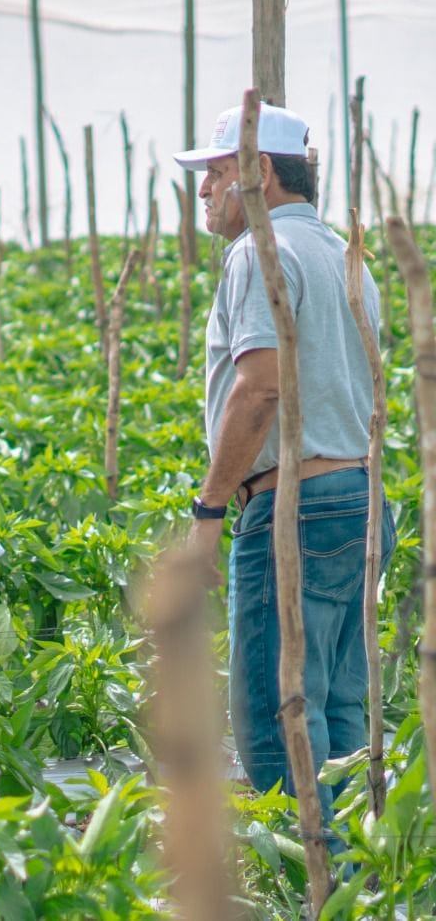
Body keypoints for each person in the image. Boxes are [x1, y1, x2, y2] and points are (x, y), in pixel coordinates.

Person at [175, 103, 394, 812]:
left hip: (295, 509)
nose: (203, 191)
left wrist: (208, 513)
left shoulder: (259, 252)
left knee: (277, 730)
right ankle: (358, 895)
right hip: (360, 499)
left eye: (212, 174)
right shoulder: (345, 256)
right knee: (339, 724)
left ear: (258, 172)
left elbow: (260, 389)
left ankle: (311, 894)